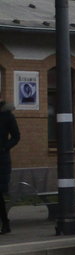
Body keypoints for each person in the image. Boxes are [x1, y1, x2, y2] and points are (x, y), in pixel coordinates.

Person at [0, 99, 19, 234]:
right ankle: (5, 223)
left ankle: (5, 223)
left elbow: (16, 136)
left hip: (1, 160)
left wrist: (4, 148)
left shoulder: (7, 116)